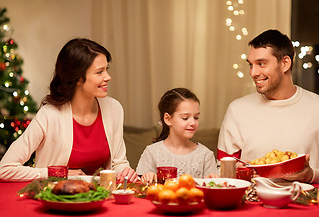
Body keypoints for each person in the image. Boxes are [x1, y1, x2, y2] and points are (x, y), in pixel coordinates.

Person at [217, 29, 319, 184]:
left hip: (304, 203)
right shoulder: (237, 110)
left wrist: (312, 175)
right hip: (252, 204)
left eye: (261, 64)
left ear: (285, 63)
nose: (253, 72)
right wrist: (238, 173)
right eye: (251, 65)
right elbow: (222, 167)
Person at [0, 38, 137, 182]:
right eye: (99, 72)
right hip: (58, 199)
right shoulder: (49, 115)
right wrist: (58, 174)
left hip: (100, 197)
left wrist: (124, 171)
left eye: (106, 70)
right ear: (77, 78)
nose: (107, 77)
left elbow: (118, 163)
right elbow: (5, 169)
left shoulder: (114, 109)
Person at [136, 88, 217, 183]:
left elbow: (213, 188)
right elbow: (141, 188)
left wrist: (211, 182)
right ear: (168, 119)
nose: (193, 122)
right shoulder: (152, 152)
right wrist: (146, 178)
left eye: (196, 117)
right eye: (185, 118)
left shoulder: (205, 155)